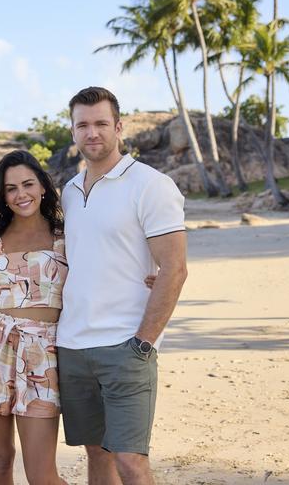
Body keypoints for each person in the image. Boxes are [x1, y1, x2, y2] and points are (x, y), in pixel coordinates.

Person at [57, 86, 188, 485]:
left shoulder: (150, 184)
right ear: (74, 131)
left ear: (119, 126)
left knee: (131, 460)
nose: (92, 132)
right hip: (73, 345)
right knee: (96, 455)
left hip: (126, 346)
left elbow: (175, 268)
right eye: (83, 125)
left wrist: (144, 342)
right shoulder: (70, 190)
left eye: (100, 123)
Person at [0, 150, 69, 485]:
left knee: (42, 475)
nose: (21, 194)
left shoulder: (66, 236)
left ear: (43, 187)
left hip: (44, 355)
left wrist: (147, 275)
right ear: (2, 196)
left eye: (28, 184)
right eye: (11, 188)